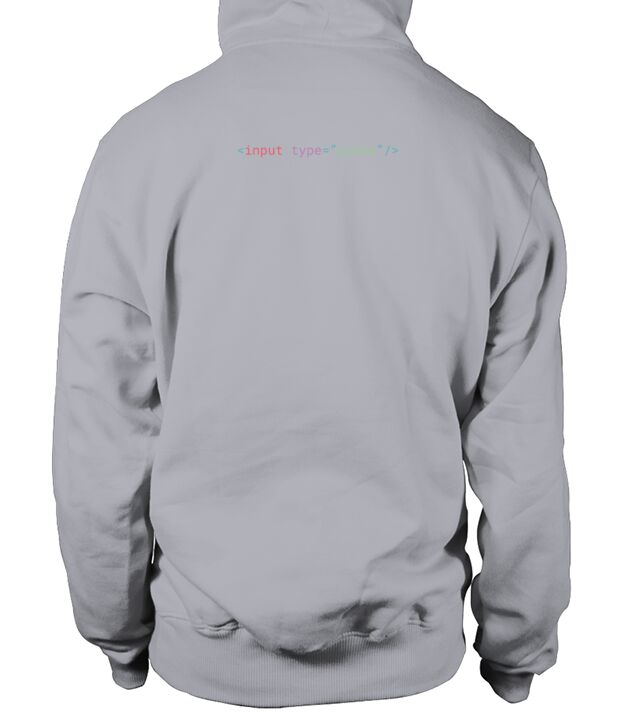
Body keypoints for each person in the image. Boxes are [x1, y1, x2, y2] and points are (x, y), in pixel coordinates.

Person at [52, 0, 571, 706]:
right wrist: (516, 647)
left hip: (201, 651)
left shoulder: (140, 151)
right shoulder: (494, 154)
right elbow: (522, 447)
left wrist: (115, 628)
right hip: (415, 657)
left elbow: (102, 429)